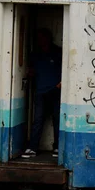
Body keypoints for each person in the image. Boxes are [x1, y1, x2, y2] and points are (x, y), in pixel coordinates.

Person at [23, 28, 63, 158]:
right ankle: (33, 148)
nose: (41, 41)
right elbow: (32, 70)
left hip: (55, 90)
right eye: (39, 38)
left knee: (57, 119)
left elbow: (67, 68)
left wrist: (60, 84)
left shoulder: (58, 52)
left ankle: (57, 147)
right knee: (38, 119)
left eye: (43, 38)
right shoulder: (35, 54)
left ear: (48, 38)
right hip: (40, 91)